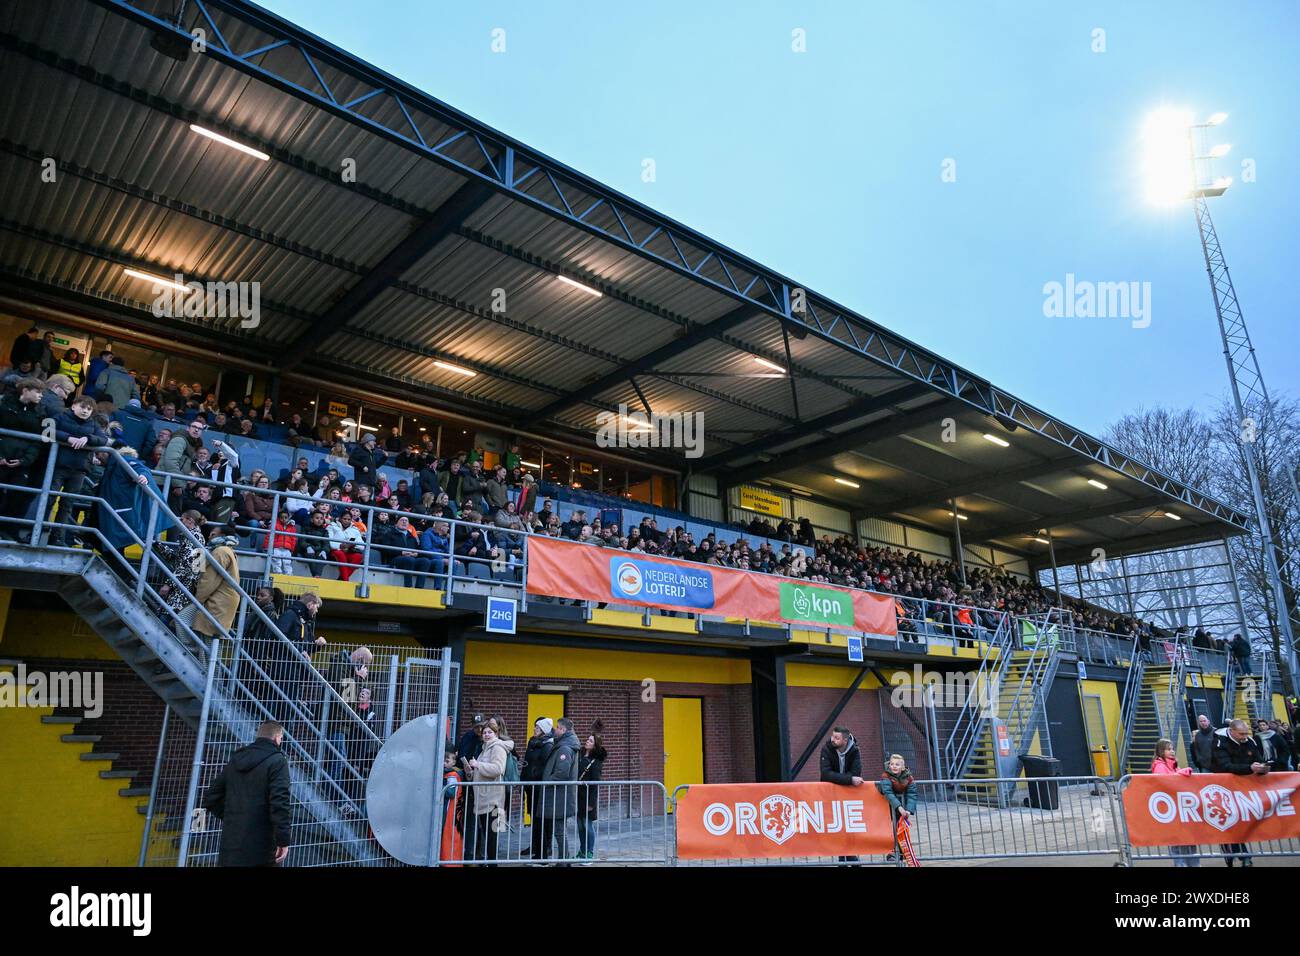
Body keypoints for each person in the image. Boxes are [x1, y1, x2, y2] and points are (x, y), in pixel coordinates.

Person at [202, 720, 293, 867]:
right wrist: (283, 840)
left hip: (231, 842)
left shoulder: (236, 758)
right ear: (277, 738)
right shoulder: (277, 761)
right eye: (281, 738)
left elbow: (211, 796)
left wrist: (233, 816)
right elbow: (280, 802)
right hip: (262, 845)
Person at [1212, 718, 1269, 867]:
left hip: (1245, 789)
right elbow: (1225, 766)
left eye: (1246, 733)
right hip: (1224, 790)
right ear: (1232, 731)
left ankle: (1241, 854)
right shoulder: (1219, 742)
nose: (1244, 737)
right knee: (1231, 822)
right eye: (1241, 734)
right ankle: (1241, 855)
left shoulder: (1250, 741)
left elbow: (1258, 759)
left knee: (1242, 821)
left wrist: (1263, 768)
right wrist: (1249, 768)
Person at [0, 376, 45, 538]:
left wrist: (26, 460)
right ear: (25, 391)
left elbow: (39, 440)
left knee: (18, 496)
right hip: (2, 456)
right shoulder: (4, 403)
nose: (41, 395)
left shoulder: (39, 412)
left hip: (22, 462)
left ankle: (10, 531)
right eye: (38, 392)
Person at [465, 716, 513, 863]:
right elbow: (481, 772)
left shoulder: (498, 748)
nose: (486, 735)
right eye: (484, 732)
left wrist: (478, 765)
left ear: (496, 734)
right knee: (487, 836)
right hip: (483, 799)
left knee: (492, 838)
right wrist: (470, 771)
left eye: (489, 732)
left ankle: (492, 864)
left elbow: (497, 769)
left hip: (495, 800)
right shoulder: (484, 749)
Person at [536, 716, 580, 861]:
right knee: (559, 831)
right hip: (559, 796)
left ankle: (563, 860)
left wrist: (546, 782)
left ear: (563, 729)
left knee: (559, 831)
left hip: (559, 796)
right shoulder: (564, 745)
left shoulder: (565, 749)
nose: (555, 730)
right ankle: (564, 859)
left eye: (557, 727)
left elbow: (562, 773)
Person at [192, 525, 241, 644]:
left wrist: (197, 599)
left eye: (213, 534)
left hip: (219, 600)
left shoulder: (220, 551)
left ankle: (189, 650)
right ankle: (195, 653)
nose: (209, 537)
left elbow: (209, 580)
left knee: (209, 641)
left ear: (222, 536)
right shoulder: (227, 549)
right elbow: (197, 568)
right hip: (221, 598)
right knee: (211, 641)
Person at [521, 717, 554, 858]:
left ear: (543, 731)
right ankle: (535, 845)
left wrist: (534, 775)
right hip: (530, 785)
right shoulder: (532, 742)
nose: (534, 729)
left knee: (542, 818)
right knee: (534, 817)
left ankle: (545, 848)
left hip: (540, 787)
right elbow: (528, 761)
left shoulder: (548, 745)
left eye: (537, 727)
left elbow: (544, 767)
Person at [878, 754, 919, 866]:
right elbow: (888, 793)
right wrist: (899, 807)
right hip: (888, 807)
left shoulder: (909, 777)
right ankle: (892, 852)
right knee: (892, 829)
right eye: (892, 764)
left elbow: (912, 794)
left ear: (902, 767)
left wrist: (909, 810)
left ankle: (900, 852)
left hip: (902, 809)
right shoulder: (885, 776)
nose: (894, 766)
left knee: (901, 829)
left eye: (897, 764)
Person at [575, 732, 606, 863]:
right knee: (580, 826)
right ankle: (582, 851)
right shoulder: (580, 756)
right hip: (578, 797)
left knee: (588, 826)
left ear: (595, 746)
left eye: (591, 741)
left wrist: (591, 803)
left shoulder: (596, 762)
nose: (587, 741)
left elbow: (595, 785)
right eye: (588, 739)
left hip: (588, 798)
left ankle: (589, 852)